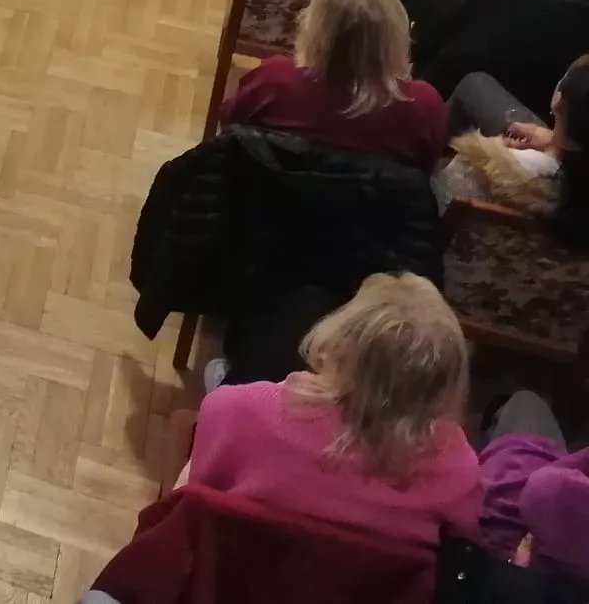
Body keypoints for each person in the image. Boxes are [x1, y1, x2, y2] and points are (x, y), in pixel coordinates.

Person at [183, 273, 479, 547]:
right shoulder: (458, 470)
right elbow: (460, 548)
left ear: (338, 345)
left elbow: (189, 512)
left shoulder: (234, 410)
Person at [220, 0, 447, 174]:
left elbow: (229, 126)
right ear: (396, 37)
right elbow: (426, 171)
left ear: (314, 30)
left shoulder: (272, 82)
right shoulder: (423, 108)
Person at [435, 58, 589, 235]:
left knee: (474, 84)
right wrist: (554, 139)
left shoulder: (485, 161)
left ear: (558, 100)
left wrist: (497, 145)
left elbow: (438, 199)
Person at [473, 389, 589, 582]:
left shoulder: (546, 489)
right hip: (499, 536)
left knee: (525, 402)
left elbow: (544, 486)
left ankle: (493, 417)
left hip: (501, 511)